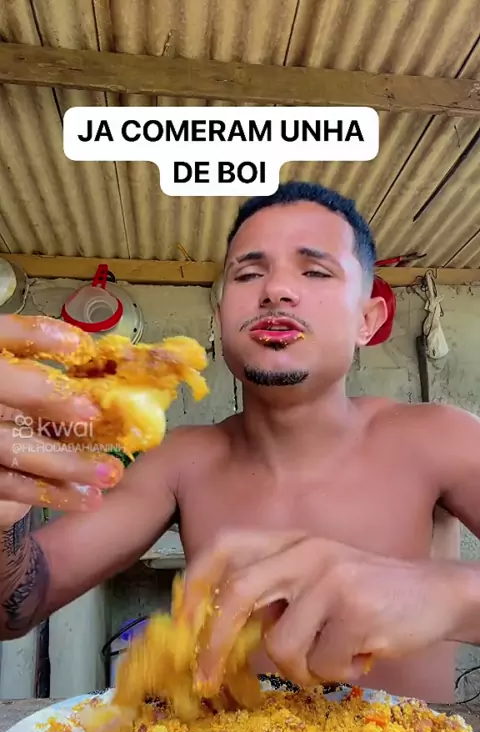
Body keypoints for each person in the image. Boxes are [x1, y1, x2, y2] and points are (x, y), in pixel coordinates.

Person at [0, 182, 477, 705]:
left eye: (315, 271)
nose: (276, 290)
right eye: (248, 274)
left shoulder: (441, 437)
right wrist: (4, 513)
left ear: (368, 320)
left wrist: (446, 595)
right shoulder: (179, 463)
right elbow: (17, 604)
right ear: (221, 316)